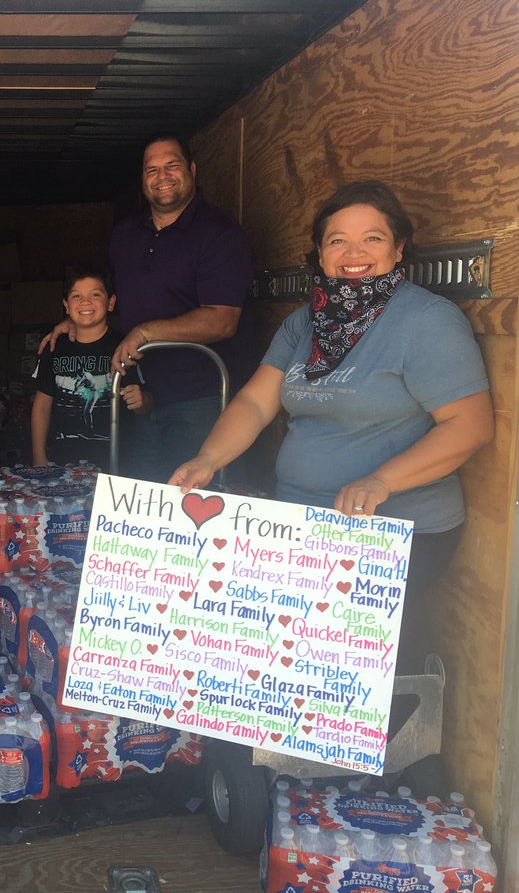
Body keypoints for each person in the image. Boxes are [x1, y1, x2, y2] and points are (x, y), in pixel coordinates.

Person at [170, 180, 493, 673]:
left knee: (341, 672)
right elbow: (257, 403)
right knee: (277, 655)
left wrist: (382, 480)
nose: (353, 252)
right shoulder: (305, 324)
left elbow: (469, 426)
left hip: (394, 529)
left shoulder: (426, 320)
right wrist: (208, 459)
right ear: (320, 253)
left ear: (399, 247)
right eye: (337, 240)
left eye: (373, 238)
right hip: (304, 525)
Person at [40, 133, 254, 482]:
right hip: (137, 398)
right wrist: (76, 321)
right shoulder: (126, 234)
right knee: (143, 507)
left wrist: (145, 333)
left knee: (197, 502)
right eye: (151, 169)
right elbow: (112, 301)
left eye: (172, 165)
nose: (162, 176)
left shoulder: (219, 234)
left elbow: (222, 320)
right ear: (142, 179)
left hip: (199, 399)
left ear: (193, 170)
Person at [30, 265, 152, 471]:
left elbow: (146, 404)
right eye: (76, 296)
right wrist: (39, 456)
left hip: (115, 464)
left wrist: (141, 401)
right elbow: (42, 404)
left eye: (95, 294)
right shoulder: (54, 347)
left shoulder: (124, 347)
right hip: (62, 463)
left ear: (111, 302)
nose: (86, 302)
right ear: (66, 306)